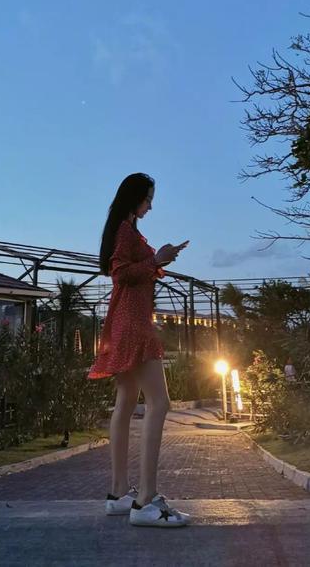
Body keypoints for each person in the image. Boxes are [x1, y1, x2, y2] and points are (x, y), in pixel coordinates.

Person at [87, 173, 190, 528]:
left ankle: (119, 493)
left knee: (126, 402)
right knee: (159, 403)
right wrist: (156, 260)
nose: (150, 206)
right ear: (134, 198)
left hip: (124, 323)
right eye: (148, 199)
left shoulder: (125, 230)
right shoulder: (125, 232)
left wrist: (159, 259)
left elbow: (130, 270)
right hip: (133, 324)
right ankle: (146, 499)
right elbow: (121, 273)